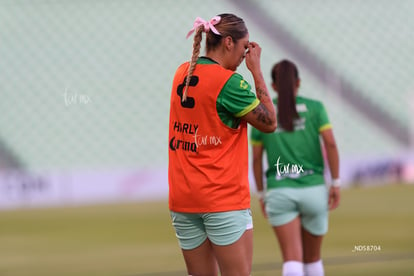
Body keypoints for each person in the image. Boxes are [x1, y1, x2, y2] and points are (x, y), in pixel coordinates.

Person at [168, 13, 277, 276]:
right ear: (228, 42)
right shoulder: (230, 83)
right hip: (222, 199)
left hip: (184, 199)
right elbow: (270, 122)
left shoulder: (181, 73)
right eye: (244, 46)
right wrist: (256, 71)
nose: (245, 53)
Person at [250, 59, 341, 276]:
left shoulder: (262, 113)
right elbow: (330, 144)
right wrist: (336, 183)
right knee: (313, 259)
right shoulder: (316, 108)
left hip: (279, 190)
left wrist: (262, 193)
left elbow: (255, 159)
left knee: (291, 259)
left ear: (273, 86)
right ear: (298, 82)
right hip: (314, 188)